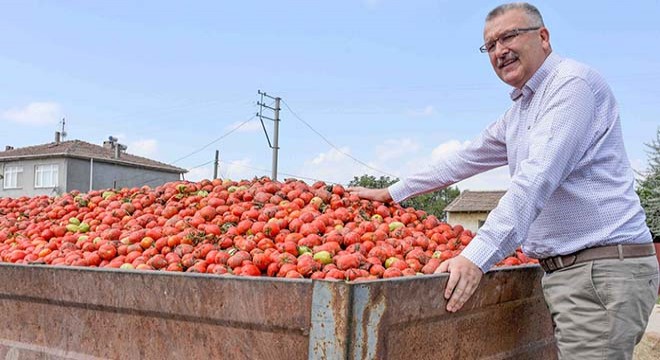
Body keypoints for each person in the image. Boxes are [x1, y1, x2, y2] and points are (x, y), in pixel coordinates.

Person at [348, 2, 659, 358]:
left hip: (599, 271)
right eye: (490, 45)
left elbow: (535, 180)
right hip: (572, 272)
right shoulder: (521, 112)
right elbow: (464, 159)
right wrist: (393, 192)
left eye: (509, 36)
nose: (499, 51)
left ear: (543, 37)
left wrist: (475, 256)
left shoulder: (572, 86)